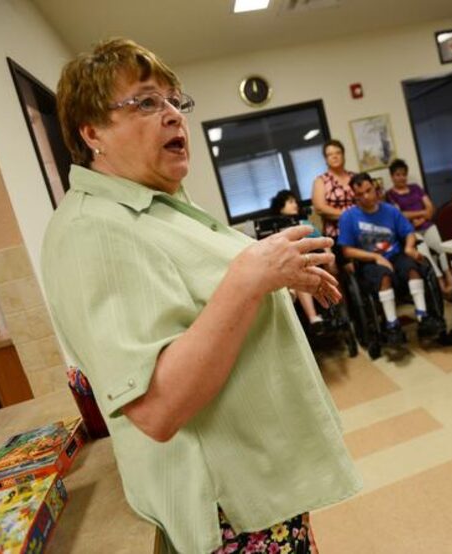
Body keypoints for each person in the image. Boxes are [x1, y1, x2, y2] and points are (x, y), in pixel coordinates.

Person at [42, 38, 361, 554]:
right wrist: (250, 276)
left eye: (175, 101)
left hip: (261, 479)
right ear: (92, 130)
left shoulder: (158, 205)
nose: (172, 115)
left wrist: (273, 272)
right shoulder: (90, 232)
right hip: (228, 513)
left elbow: (202, 303)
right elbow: (158, 406)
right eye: (146, 102)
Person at [338, 173, 445, 343]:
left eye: (369, 191)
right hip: (369, 262)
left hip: (395, 255)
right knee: (384, 275)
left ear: (375, 188)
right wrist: (374, 257)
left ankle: (423, 317)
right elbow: (347, 251)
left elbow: (408, 232)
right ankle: (392, 324)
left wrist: (409, 247)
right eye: (360, 194)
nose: (366, 197)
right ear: (354, 196)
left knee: (412, 268)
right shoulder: (348, 217)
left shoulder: (390, 210)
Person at [385, 158, 452, 297]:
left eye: (404, 174)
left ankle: (450, 279)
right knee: (425, 255)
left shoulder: (416, 188)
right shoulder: (390, 195)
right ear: (392, 177)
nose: (401, 178)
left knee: (442, 248)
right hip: (411, 232)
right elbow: (399, 215)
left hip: (427, 226)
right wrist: (422, 213)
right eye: (398, 175)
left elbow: (431, 208)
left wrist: (422, 217)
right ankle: (440, 284)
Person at [269, 190, 328, 334]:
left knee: (300, 272)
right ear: (281, 207)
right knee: (298, 273)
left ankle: (295, 293)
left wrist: (329, 257)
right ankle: (313, 318)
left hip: (314, 259)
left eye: (295, 201)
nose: (295, 204)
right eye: (290, 202)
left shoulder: (305, 222)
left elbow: (323, 241)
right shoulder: (278, 228)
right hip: (296, 263)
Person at [311, 139, 355, 240]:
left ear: (343, 155)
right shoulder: (321, 181)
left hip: (361, 230)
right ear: (326, 159)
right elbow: (320, 208)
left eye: (338, 153)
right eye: (330, 154)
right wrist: (350, 216)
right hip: (335, 235)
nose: (334, 156)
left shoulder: (355, 177)